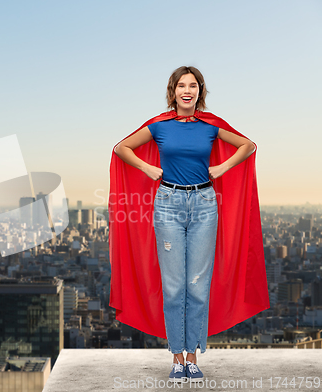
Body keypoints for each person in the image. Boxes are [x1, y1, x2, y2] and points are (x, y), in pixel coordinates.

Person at [111, 66, 261, 382]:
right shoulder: (159, 125)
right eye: (182, 85)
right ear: (173, 91)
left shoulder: (210, 125)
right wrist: (146, 167)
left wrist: (223, 166)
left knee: (197, 284)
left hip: (205, 205)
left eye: (193, 85)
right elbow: (120, 148)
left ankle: (193, 357)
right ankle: (176, 357)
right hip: (168, 204)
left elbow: (248, 145)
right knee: (174, 284)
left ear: (199, 92)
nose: (187, 90)